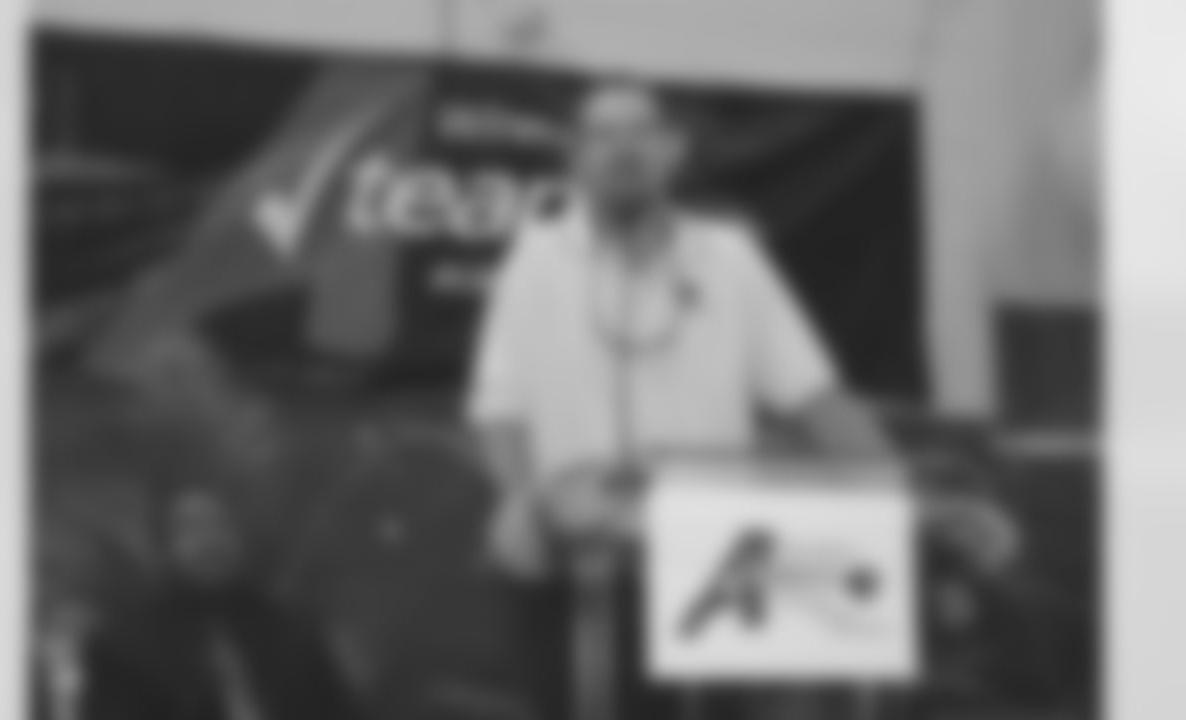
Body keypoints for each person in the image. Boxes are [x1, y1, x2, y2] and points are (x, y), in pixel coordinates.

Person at [467, 78, 1014, 720]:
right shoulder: (535, 260)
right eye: (602, 135)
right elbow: (498, 410)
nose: (623, 149)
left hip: (708, 566)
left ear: (672, 151)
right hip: (577, 561)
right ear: (575, 156)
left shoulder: (728, 258)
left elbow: (818, 401)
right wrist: (520, 499)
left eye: (641, 132)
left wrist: (905, 502)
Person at [80, 484, 364, 720]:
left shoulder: (291, 632)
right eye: (192, 528)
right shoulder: (124, 646)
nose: (210, 541)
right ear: (166, 546)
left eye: (221, 524)